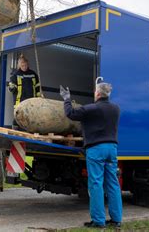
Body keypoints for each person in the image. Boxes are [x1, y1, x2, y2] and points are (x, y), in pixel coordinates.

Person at [60, 81, 122, 228]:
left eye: (95, 91)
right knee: (113, 184)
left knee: (96, 184)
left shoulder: (91, 109)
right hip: (112, 149)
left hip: (96, 149)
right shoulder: (116, 109)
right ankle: (116, 219)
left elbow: (71, 113)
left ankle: (99, 221)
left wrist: (66, 99)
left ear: (98, 94)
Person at [8, 55, 41, 129]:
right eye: (22, 65)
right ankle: (15, 132)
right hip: (19, 100)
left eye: (25, 65)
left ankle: (29, 132)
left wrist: (39, 96)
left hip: (32, 100)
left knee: (31, 116)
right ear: (19, 65)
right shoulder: (15, 75)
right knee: (18, 117)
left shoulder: (33, 74)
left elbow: (37, 86)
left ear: (27, 64)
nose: (24, 67)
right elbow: (11, 87)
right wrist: (12, 87)